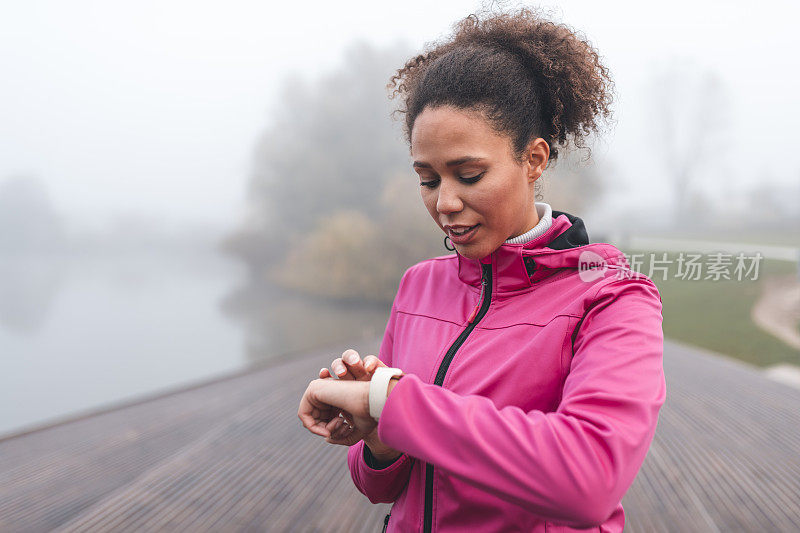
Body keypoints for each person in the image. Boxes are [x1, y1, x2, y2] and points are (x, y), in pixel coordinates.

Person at [298, 7, 666, 532]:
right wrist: (376, 432)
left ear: (534, 159)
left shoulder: (612, 299)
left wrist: (389, 399)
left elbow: (590, 482)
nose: (445, 202)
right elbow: (377, 485)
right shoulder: (418, 285)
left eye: (468, 175)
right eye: (427, 179)